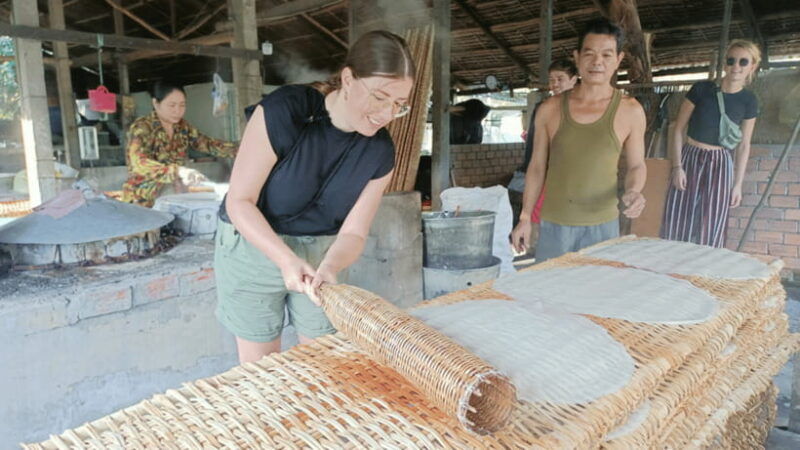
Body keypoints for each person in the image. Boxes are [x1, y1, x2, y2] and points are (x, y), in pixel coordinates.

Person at [215, 30, 415, 364]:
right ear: (349, 78)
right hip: (254, 246)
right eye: (380, 97)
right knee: (261, 370)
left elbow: (353, 232)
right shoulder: (286, 110)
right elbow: (240, 202)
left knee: (323, 362)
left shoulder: (380, 152)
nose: (386, 114)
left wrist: (332, 267)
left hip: (323, 256)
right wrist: (285, 260)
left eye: (398, 104)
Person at [510, 19, 647, 262]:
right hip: (554, 224)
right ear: (577, 56)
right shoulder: (550, 109)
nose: (597, 62)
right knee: (550, 294)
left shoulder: (630, 111)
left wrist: (634, 191)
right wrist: (525, 218)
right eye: (590, 53)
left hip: (603, 225)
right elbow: (537, 166)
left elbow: (637, 165)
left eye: (606, 55)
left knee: (597, 296)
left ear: (618, 59)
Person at [661, 40, 760, 247]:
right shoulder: (701, 89)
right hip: (690, 156)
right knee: (678, 216)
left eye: (743, 62)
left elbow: (744, 145)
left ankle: (704, 275)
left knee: (713, 221)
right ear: (724, 63)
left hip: (721, 162)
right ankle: (672, 269)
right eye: (731, 60)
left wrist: (738, 185)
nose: (736, 66)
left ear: (752, 66)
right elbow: (678, 129)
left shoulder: (749, 101)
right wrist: (677, 167)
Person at [120, 81, 237, 207]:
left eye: (182, 105)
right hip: (142, 200)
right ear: (156, 103)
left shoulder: (182, 127)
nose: (178, 111)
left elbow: (207, 144)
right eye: (172, 105)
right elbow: (139, 164)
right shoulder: (142, 127)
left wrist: (241, 150)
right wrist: (178, 171)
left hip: (170, 197)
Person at [520, 59, 579, 225]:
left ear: (574, 80)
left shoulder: (582, 109)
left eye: (560, 79)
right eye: (552, 80)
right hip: (546, 168)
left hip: (572, 173)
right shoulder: (543, 108)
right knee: (540, 213)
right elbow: (533, 143)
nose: (555, 84)